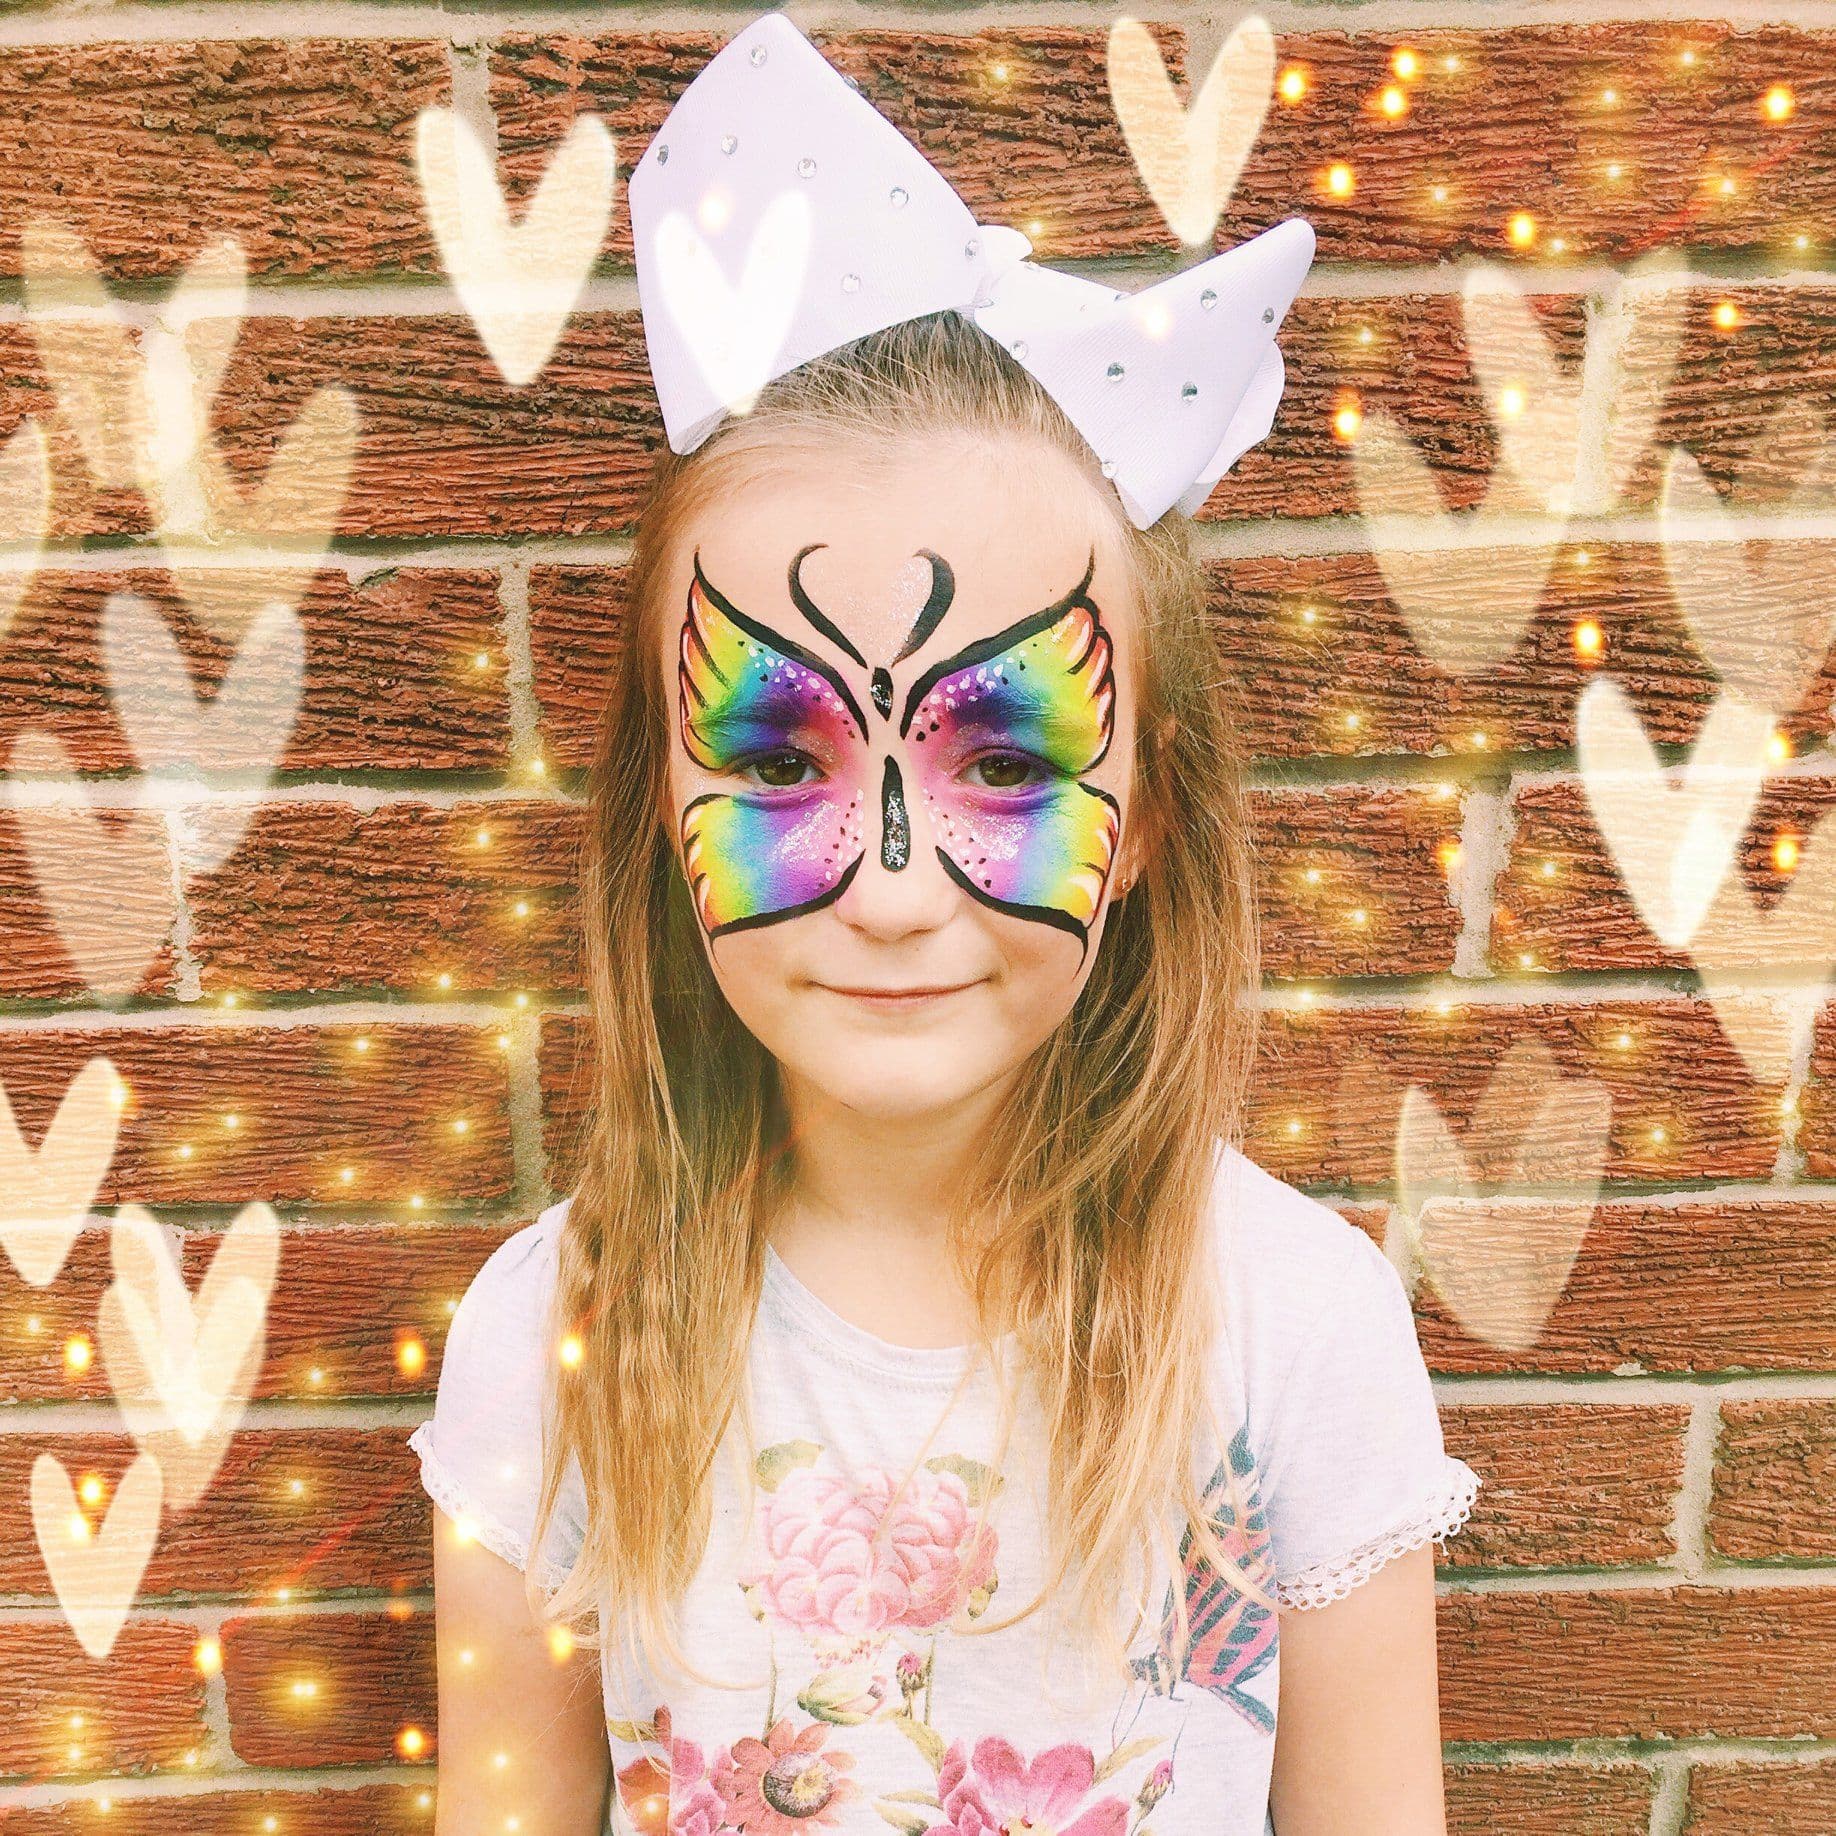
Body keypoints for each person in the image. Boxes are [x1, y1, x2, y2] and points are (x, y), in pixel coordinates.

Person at [407, 15, 1482, 1835]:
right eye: (773, 747)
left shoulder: (1297, 1331)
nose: (893, 887)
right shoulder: (555, 1341)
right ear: (663, 805)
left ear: (1137, 821)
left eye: (1005, 759)